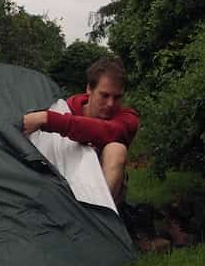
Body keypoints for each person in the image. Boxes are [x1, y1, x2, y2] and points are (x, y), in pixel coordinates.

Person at [21, 57, 139, 206]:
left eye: (117, 97)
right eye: (104, 95)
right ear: (89, 89)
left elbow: (109, 132)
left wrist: (48, 120)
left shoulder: (128, 118)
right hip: (60, 179)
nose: (110, 104)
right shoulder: (63, 109)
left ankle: (100, 217)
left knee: (117, 149)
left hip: (103, 187)